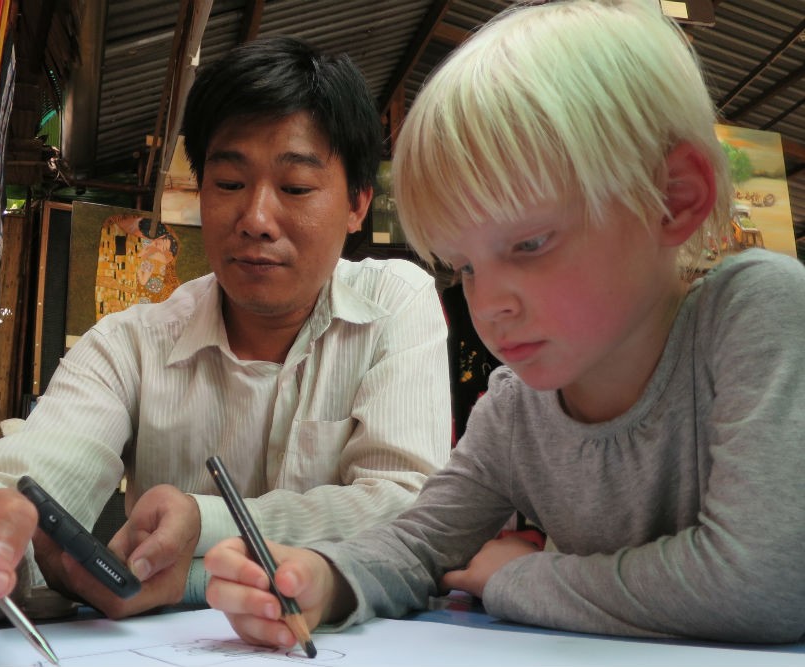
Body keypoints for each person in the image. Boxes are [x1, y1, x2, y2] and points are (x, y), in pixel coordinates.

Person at [0, 36, 451, 667]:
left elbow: (410, 509)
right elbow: (39, 467)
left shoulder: (396, 301)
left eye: (297, 187)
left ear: (358, 203)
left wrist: (202, 526)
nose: (255, 216)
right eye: (228, 181)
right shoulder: (130, 342)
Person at [204, 0, 805, 649]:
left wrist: (517, 577)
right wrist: (324, 577)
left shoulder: (757, 314)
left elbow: (763, 580)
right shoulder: (517, 411)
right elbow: (418, 543)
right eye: (463, 265)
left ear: (673, 199)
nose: (488, 304)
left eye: (530, 244)